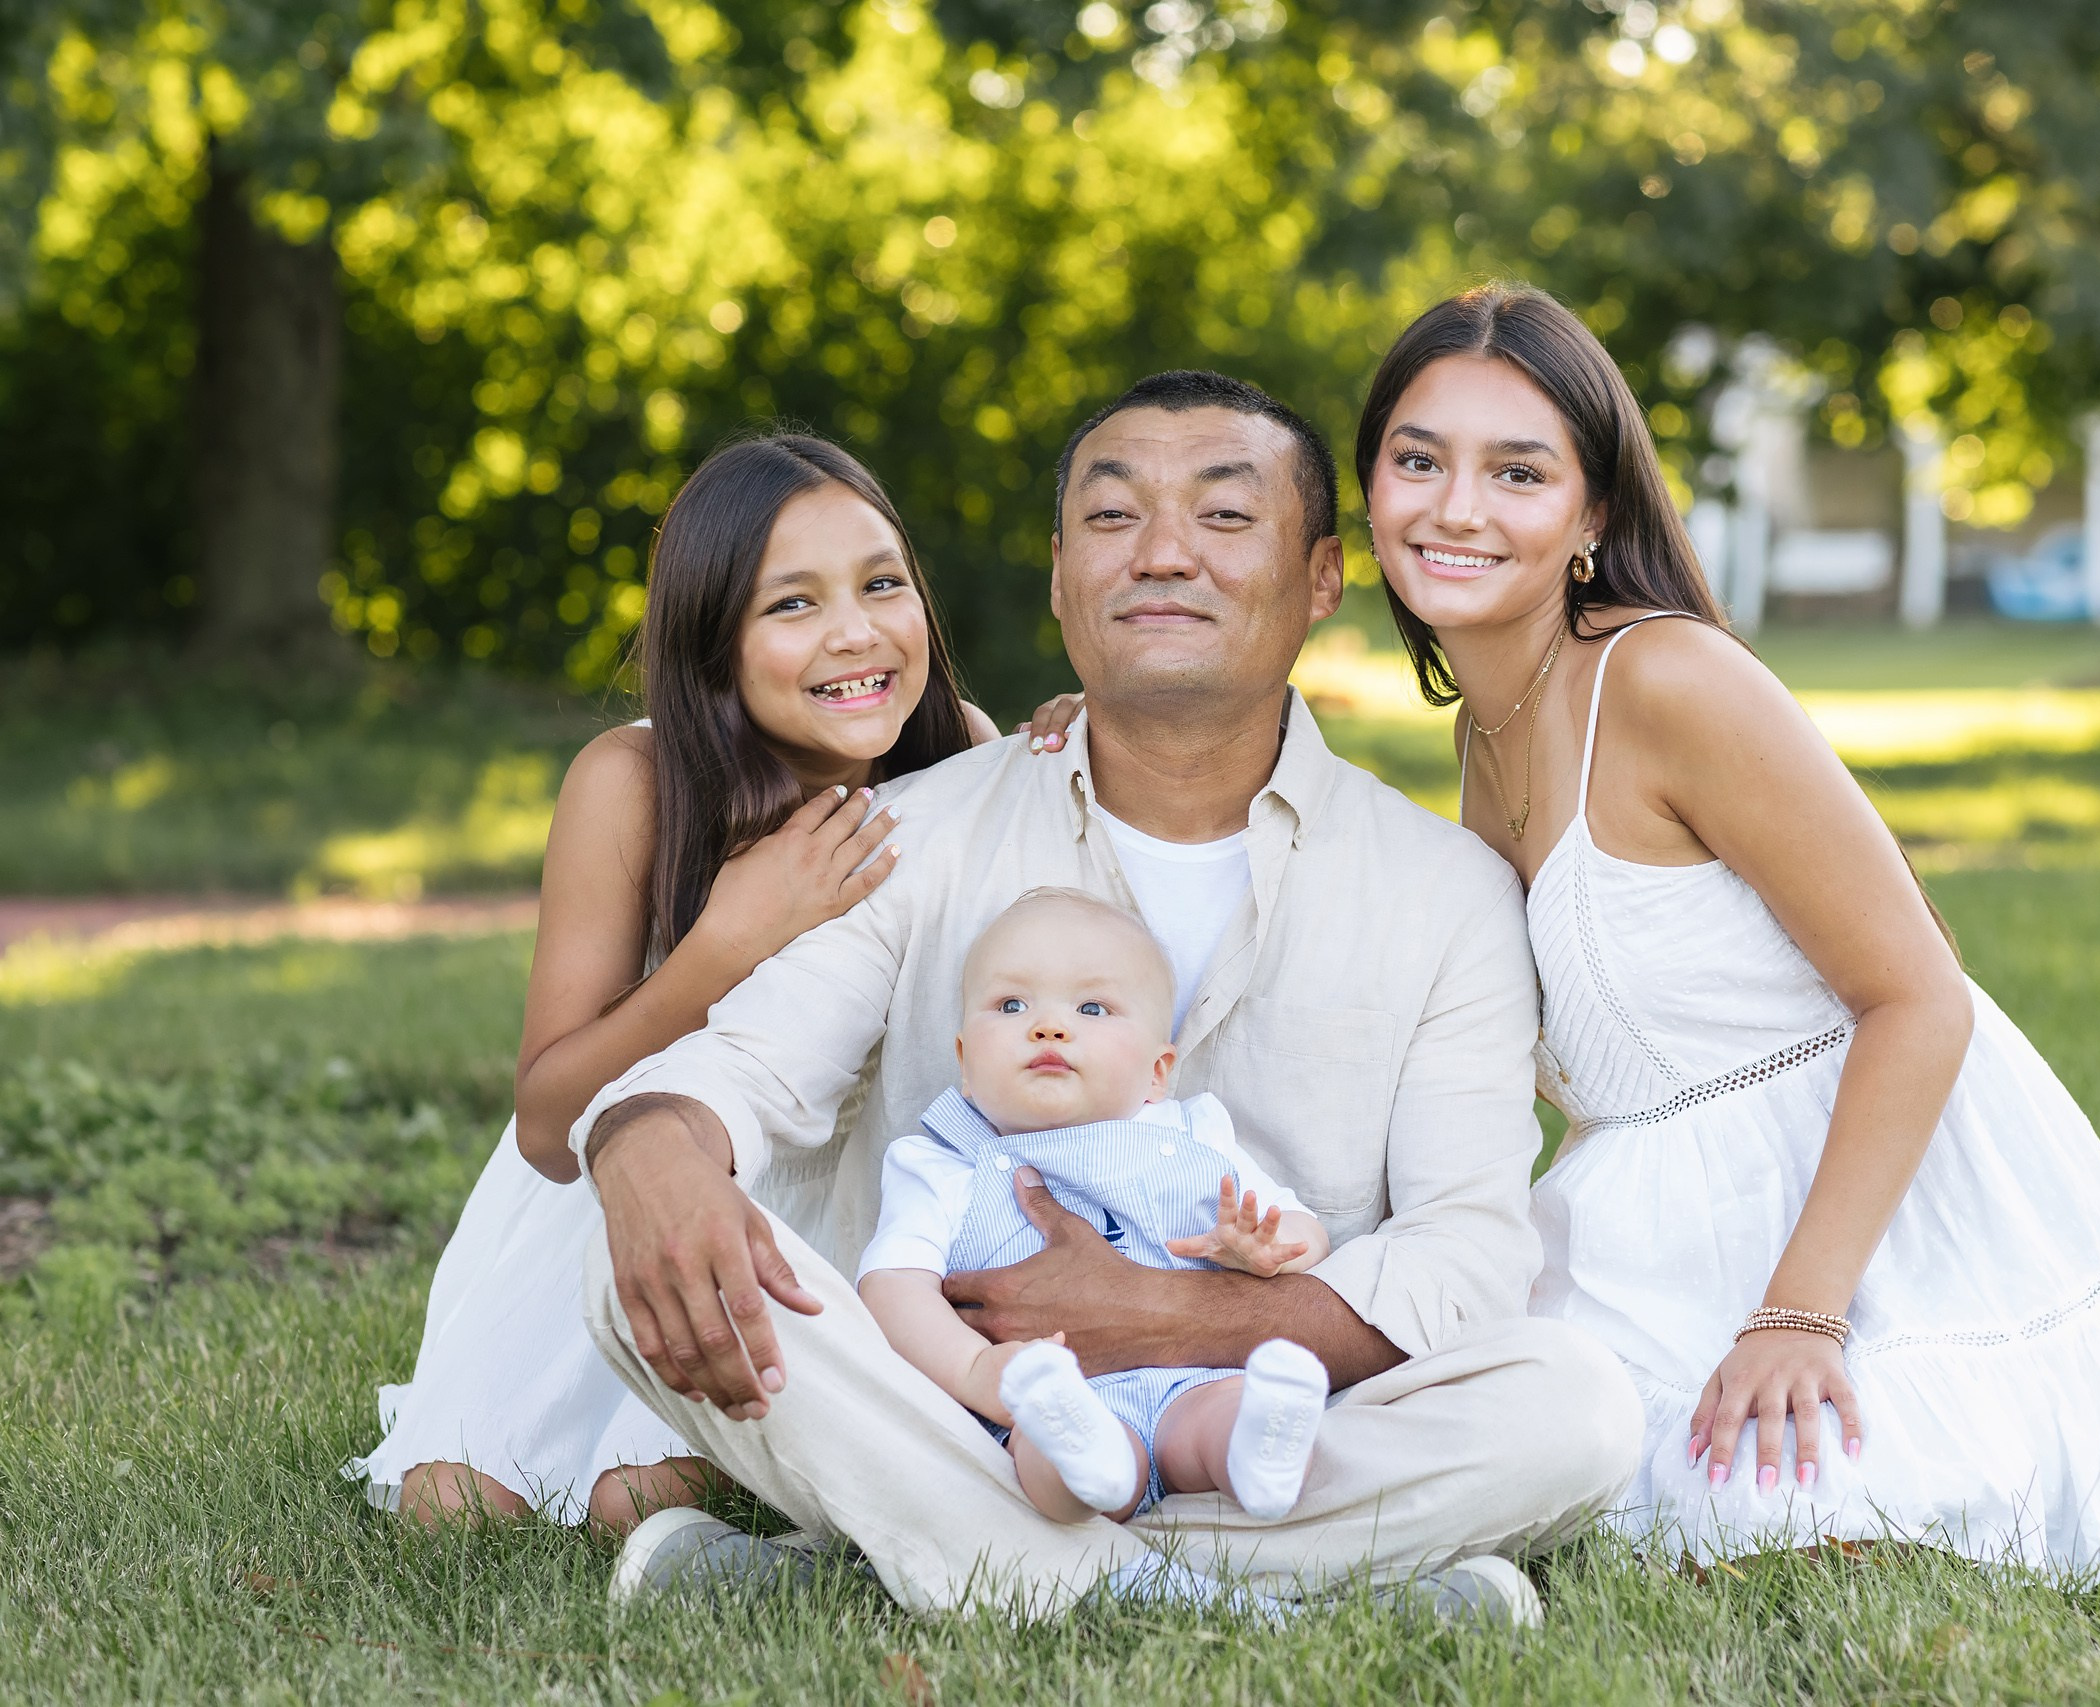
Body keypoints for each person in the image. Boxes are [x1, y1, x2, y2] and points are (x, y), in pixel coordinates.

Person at [570, 369, 1641, 1623]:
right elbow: (743, 1069)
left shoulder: (1443, 888)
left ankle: (945, 1562)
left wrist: (1161, 1317)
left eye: (1226, 518)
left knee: (1574, 1405)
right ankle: (1241, 1602)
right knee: (635, 1250)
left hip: (1256, 1426)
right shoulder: (902, 840)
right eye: (1114, 517)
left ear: (1320, 579)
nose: (1164, 554)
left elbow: (1465, 1247)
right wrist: (648, 1142)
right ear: (1062, 577)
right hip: (961, 1401)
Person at [1354, 284, 2100, 1580]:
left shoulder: (1669, 680)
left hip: (1878, 1214)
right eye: (1419, 458)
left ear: (1594, 514)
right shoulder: (1486, 725)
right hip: (1650, 1205)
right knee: (1434, 1411)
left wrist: (1802, 1313)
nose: (1455, 506)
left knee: (1737, 1505)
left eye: (1517, 469)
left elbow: (1922, 998)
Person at [348, 430, 1049, 1532]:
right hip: (624, 1185)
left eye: (882, 584)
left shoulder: (953, 749)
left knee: (639, 1501)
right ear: (712, 642)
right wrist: (727, 939)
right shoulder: (631, 781)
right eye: (792, 606)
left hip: (838, 1192)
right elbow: (544, 1122)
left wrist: (1052, 754)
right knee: (455, 1504)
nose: (855, 632)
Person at [858, 888, 1333, 1527]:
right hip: (1051, 1391)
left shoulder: (1196, 1134)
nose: (1049, 1026)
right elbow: (892, 1288)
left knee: (1224, 1412)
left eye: (1091, 1007)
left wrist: (1264, 1250)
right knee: (1044, 1448)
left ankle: (1263, 1453)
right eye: (1011, 1004)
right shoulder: (942, 1162)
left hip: (1193, 1372)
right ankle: (1089, 1468)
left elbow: (1303, 1229)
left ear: (1157, 1073)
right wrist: (974, 1371)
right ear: (966, 1063)